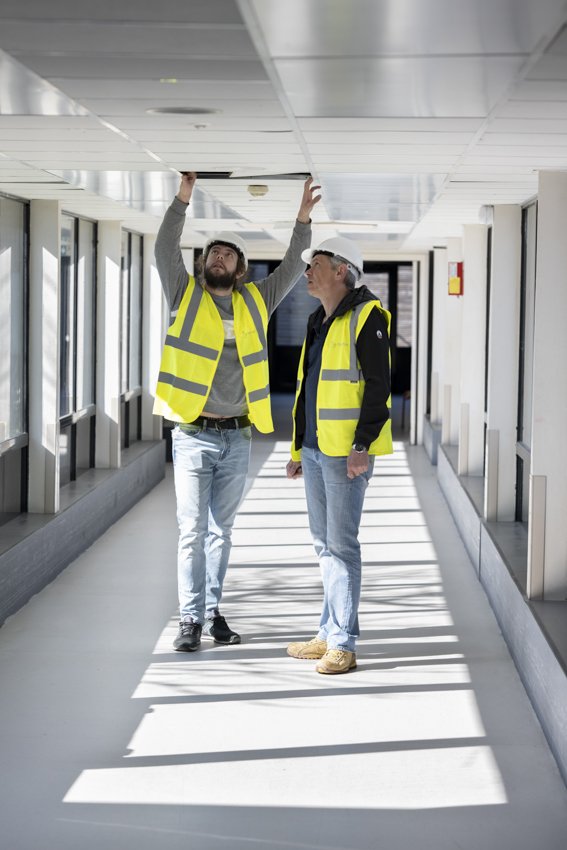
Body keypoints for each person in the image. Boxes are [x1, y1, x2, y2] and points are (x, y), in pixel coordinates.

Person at [154, 171, 321, 652]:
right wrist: (182, 200)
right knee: (192, 531)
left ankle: (211, 613)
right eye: (212, 253)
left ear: (242, 268)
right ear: (203, 264)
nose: (218, 257)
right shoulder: (184, 295)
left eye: (227, 253)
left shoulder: (256, 300)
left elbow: (293, 265)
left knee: (220, 532)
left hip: (238, 436)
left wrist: (302, 218)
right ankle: (189, 620)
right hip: (191, 433)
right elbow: (165, 248)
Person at [285, 236, 392, 674]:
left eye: (317, 264)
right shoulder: (319, 320)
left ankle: (343, 644)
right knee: (323, 545)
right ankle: (328, 632)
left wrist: (362, 445)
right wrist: (297, 448)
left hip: (345, 452)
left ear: (342, 271)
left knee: (341, 546)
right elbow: (307, 391)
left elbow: (379, 388)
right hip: (314, 449)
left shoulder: (368, 317)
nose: (308, 272)